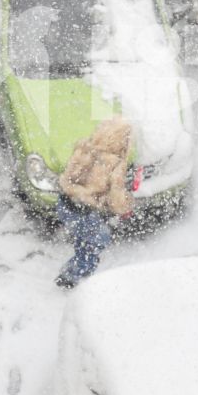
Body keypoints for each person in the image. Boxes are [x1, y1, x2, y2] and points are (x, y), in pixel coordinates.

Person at [54, 116, 136, 287]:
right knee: (96, 244)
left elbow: (68, 177)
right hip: (87, 212)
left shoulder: (84, 148)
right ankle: (75, 279)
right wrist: (126, 206)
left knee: (82, 239)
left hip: (66, 204)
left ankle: (71, 269)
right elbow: (116, 197)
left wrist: (78, 192)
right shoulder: (116, 164)